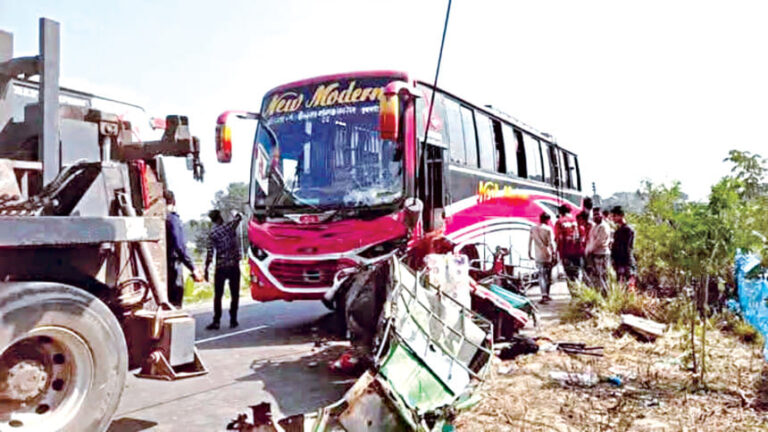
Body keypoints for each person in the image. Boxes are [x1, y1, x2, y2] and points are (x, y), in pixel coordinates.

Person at [204, 209, 244, 330]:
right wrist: (234, 212)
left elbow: (210, 253)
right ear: (220, 217)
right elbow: (239, 217)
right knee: (234, 294)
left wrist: (206, 268)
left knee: (218, 295)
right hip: (233, 265)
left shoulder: (212, 234)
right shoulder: (229, 227)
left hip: (221, 266)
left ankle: (216, 321)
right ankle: (233, 320)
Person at [165, 190, 202, 308]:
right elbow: (179, 246)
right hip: (173, 265)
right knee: (175, 302)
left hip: (163, 267)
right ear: (174, 202)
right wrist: (192, 267)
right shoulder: (173, 220)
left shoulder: (163, 219)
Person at [529, 212, 556, 303]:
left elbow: (530, 241)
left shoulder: (533, 229)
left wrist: (529, 252)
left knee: (541, 275)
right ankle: (546, 294)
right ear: (547, 220)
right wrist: (554, 253)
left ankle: (544, 295)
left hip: (538, 255)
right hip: (547, 254)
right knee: (548, 275)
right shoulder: (548, 229)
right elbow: (551, 243)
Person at [585, 207, 611, 294]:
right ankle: (600, 294)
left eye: (598, 214)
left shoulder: (603, 226)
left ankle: (606, 294)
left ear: (602, 215)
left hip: (602, 254)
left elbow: (599, 241)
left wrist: (589, 250)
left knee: (602, 275)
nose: (596, 216)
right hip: (594, 254)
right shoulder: (594, 226)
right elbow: (591, 240)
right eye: (594, 215)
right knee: (596, 275)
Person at [554, 204, 582, 283]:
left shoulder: (559, 222)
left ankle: (573, 290)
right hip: (577, 252)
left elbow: (557, 238)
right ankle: (578, 289)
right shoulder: (575, 221)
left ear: (560, 212)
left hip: (565, 252)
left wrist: (557, 253)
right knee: (577, 273)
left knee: (569, 275)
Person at [610, 206, 635, 285]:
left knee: (629, 284)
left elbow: (627, 248)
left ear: (621, 216)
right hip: (619, 261)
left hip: (626, 261)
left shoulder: (628, 230)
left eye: (615, 216)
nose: (613, 218)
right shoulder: (618, 231)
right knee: (621, 284)